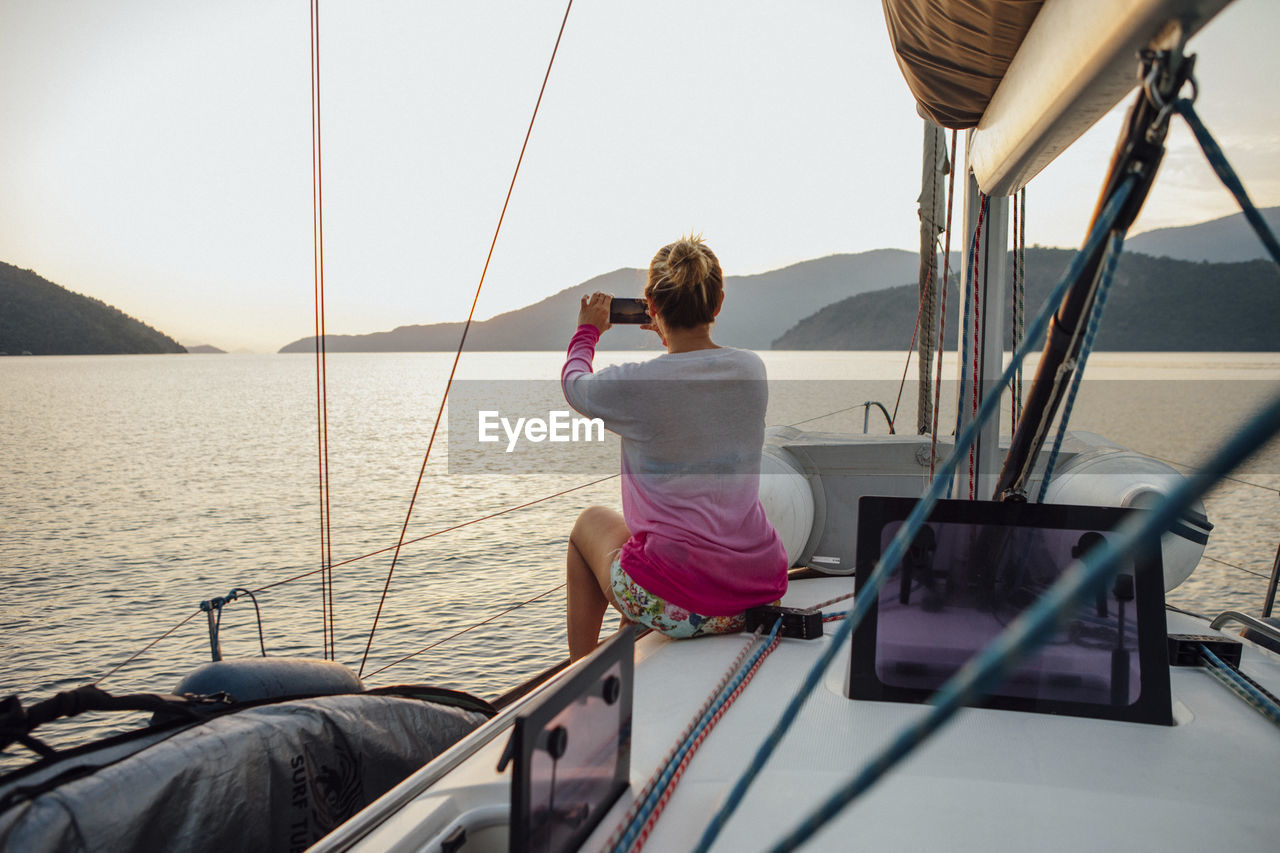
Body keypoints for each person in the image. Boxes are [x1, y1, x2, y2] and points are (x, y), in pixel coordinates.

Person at [560, 234, 787, 661]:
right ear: (717, 303)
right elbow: (694, 379)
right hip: (756, 595)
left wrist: (587, 331)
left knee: (588, 526)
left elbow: (575, 386)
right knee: (646, 547)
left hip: (681, 604)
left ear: (651, 303)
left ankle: (579, 678)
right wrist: (670, 335)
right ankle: (632, 638)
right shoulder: (751, 369)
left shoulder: (637, 385)